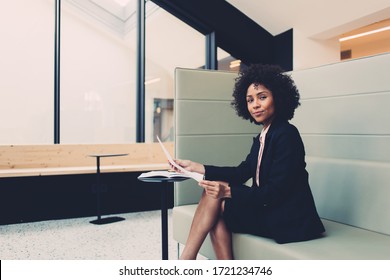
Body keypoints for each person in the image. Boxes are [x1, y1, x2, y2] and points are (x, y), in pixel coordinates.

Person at [171, 64, 325, 260]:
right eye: (250, 100)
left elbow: (275, 192)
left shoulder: (286, 134)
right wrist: (196, 167)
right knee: (215, 206)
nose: (255, 105)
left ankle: (186, 260)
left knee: (215, 201)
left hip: (289, 219)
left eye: (262, 97)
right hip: (270, 209)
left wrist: (227, 191)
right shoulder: (264, 135)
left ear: (278, 97)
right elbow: (241, 172)